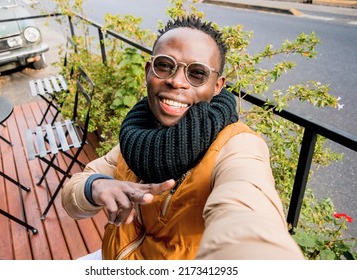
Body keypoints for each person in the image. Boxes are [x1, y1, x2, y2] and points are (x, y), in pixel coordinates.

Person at [61, 16, 304, 260]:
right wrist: (97, 186)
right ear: (148, 72)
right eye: (165, 65)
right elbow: (74, 193)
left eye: (197, 73)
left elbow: (249, 211)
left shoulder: (238, 145)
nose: (176, 81)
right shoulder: (139, 131)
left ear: (217, 85)